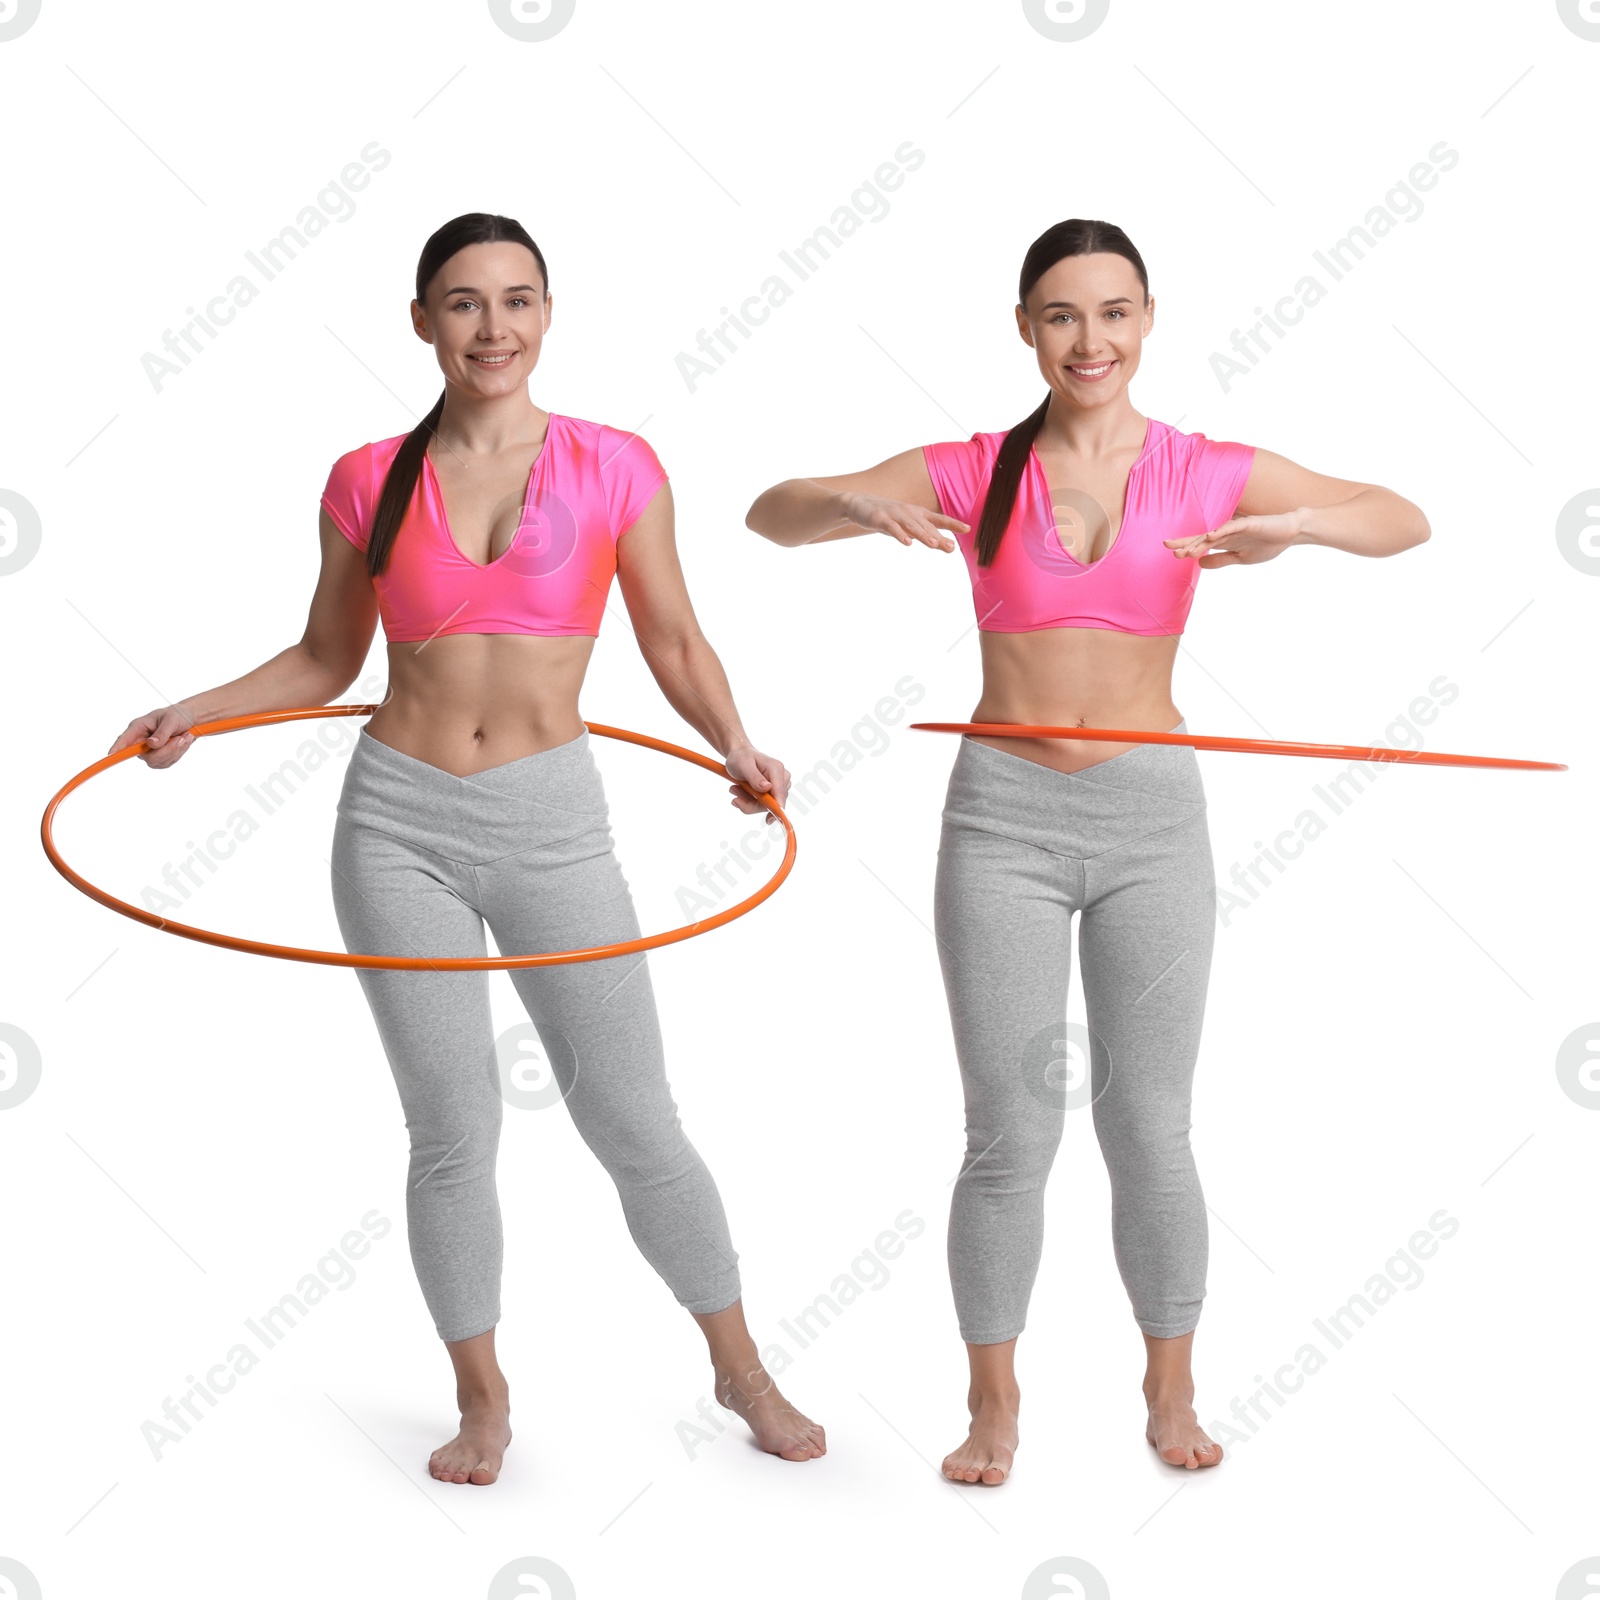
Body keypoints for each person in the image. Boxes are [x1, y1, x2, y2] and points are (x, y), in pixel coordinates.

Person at [109, 211, 826, 1486]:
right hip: (398, 822)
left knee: (632, 1115)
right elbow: (327, 658)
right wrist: (195, 714)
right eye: (463, 302)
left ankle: (740, 1366)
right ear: (423, 320)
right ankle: (482, 1397)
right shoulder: (366, 477)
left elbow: (671, 639)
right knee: (450, 1128)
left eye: (517, 300)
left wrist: (733, 741)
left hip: (553, 821)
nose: (492, 327)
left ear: (548, 314)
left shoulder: (617, 464)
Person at [744, 217, 1428, 1483]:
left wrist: (1302, 530)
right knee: (1008, 1130)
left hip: (1150, 818)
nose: (1089, 339)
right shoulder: (973, 469)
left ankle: (1169, 1389)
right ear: (1024, 329)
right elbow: (766, 515)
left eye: (1112, 313)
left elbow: (1403, 517)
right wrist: (849, 502)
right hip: (1000, 812)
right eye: (1061, 315)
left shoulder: (1202, 468)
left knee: (1149, 1124)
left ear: (1148, 319)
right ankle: (991, 1405)